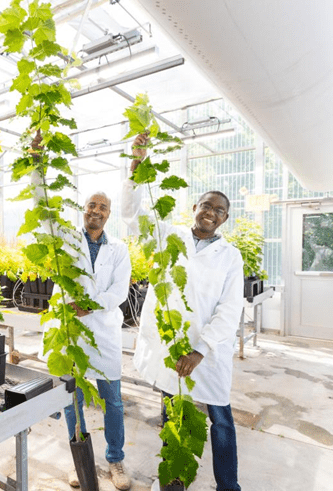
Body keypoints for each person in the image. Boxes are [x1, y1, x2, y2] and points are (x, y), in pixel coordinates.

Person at [121, 134, 244, 491]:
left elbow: (230, 307)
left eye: (219, 210)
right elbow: (131, 214)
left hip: (207, 353)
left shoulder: (230, 257)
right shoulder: (167, 236)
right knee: (172, 415)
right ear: (195, 207)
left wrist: (201, 349)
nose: (211, 213)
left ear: (225, 218)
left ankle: (228, 486)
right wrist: (137, 167)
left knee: (220, 419)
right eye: (206, 205)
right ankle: (173, 481)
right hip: (171, 345)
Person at [45, 189, 132, 490]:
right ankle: (77, 455)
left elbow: (120, 291)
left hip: (104, 333)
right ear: (83, 209)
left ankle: (115, 458)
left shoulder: (118, 249)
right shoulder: (67, 241)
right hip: (72, 332)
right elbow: (44, 214)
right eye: (91, 205)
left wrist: (90, 306)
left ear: (110, 214)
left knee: (114, 401)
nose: (96, 211)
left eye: (103, 207)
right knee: (73, 399)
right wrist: (37, 163)